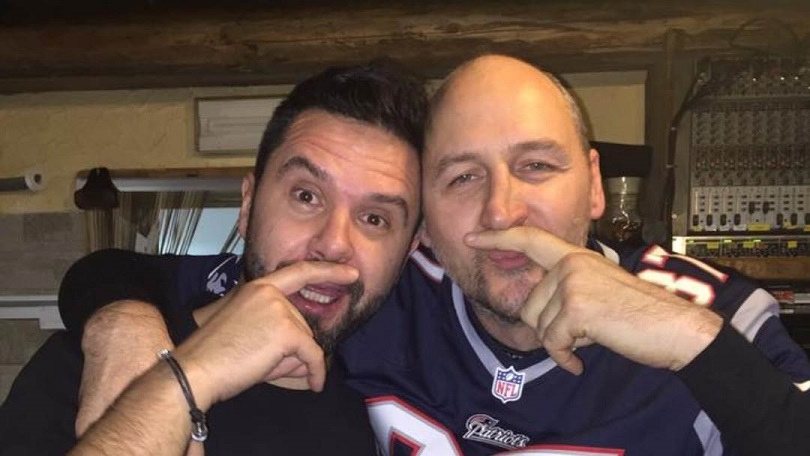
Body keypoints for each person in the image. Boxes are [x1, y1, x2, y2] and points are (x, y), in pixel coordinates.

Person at [11, 55, 810, 455]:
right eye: (462, 177)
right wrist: (119, 320)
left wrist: (689, 339)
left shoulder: (723, 315)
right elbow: (142, 277)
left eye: (537, 165)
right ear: (427, 226)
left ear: (595, 183)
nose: (502, 211)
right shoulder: (379, 301)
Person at [0, 61, 428, 455]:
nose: (333, 244)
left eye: (375, 219)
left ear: (407, 251)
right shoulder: (101, 365)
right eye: (306, 196)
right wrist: (183, 383)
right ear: (248, 206)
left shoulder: (373, 420)